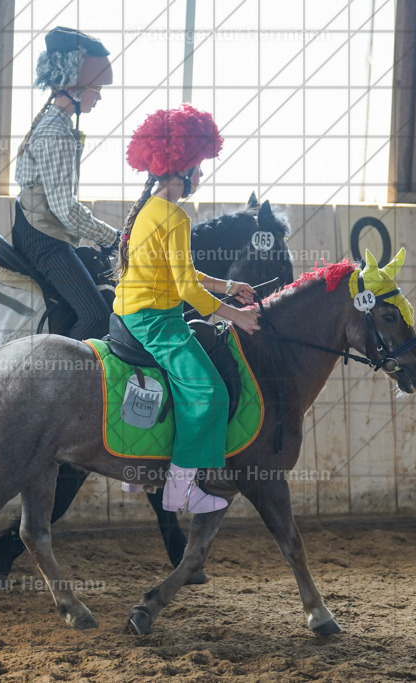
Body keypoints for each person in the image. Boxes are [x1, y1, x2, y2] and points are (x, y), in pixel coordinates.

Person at [114, 104, 261, 514]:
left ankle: (145, 469)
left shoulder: (151, 208)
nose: (201, 174)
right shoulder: (174, 215)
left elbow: (186, 275)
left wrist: (230, 287)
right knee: (210, 393)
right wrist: (237, 316)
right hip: (156, 321)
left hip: (132, 312)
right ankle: (180, 492)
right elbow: (187, 291)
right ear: (181, 166)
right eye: (199, 165)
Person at [12, 26, 121, 339]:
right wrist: (111, 237)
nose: (99, 97)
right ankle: (52, 382)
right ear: (74, 87)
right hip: (44, 240)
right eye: (96, 88)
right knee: (97, 316)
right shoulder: (56, 132)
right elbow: (64, 207)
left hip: (41, 231)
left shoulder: (52, 122)